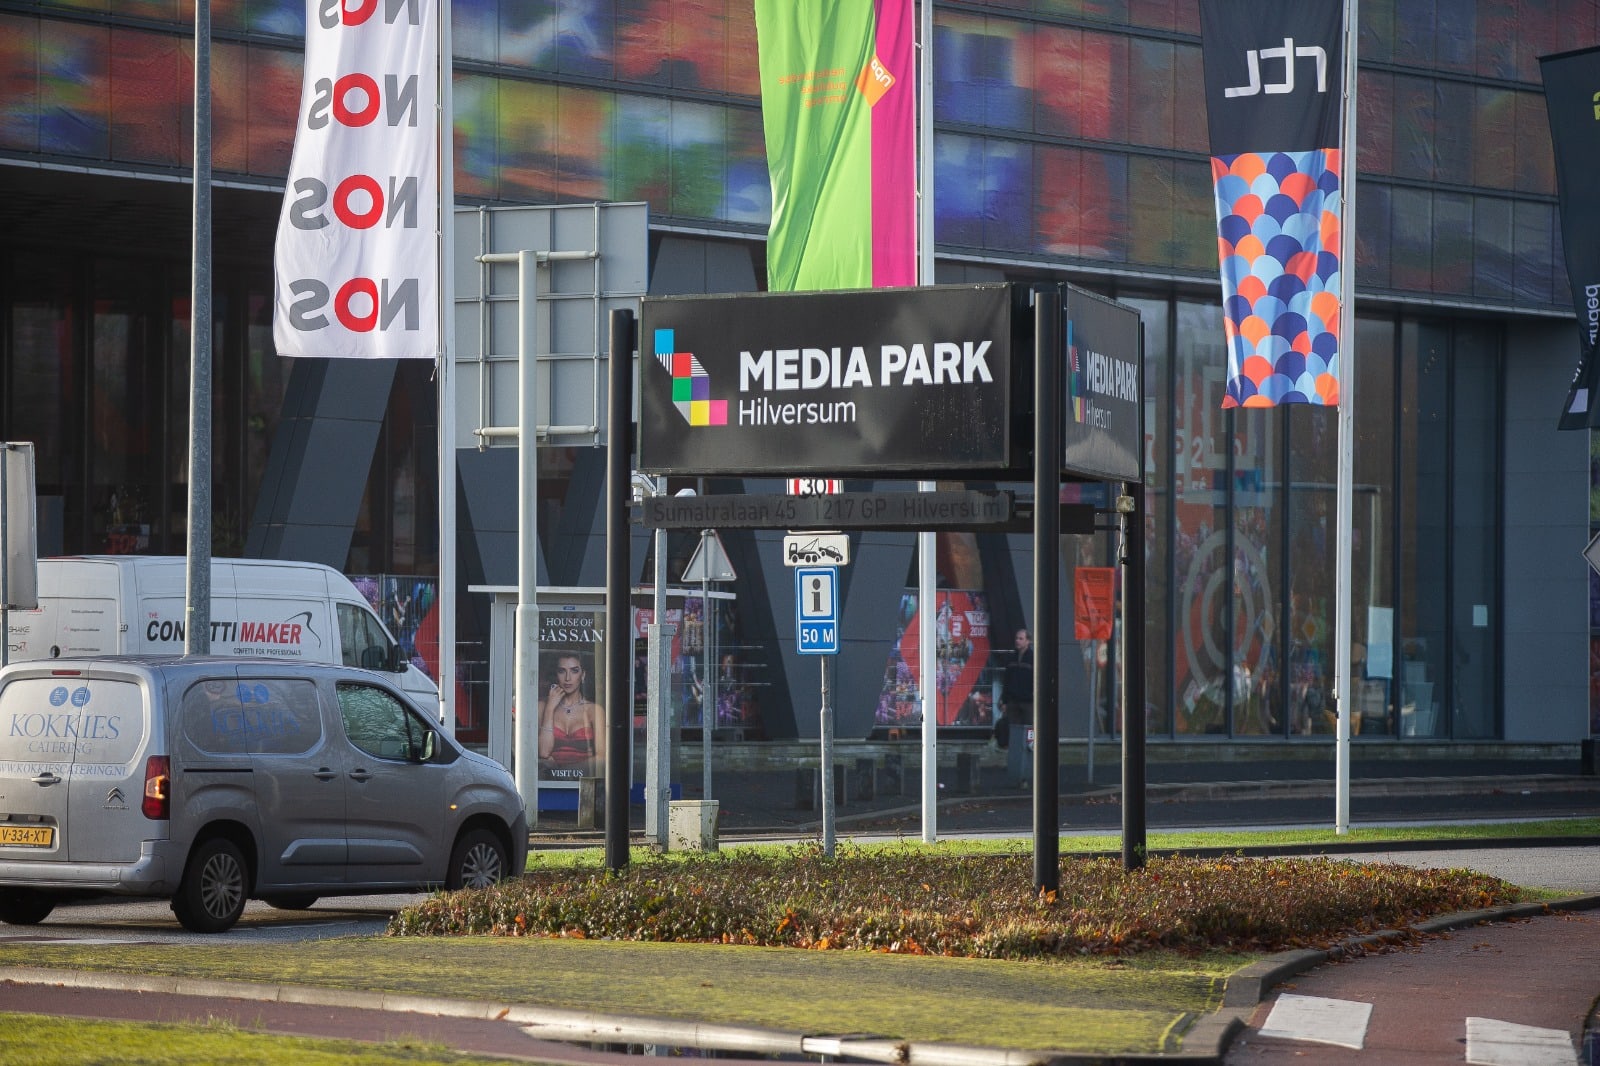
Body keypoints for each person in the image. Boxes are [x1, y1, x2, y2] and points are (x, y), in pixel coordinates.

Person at [539, 653, 605, 777]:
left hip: (585, 782)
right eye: (562, 671)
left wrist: (563, 770)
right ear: (556, 675)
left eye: (574, 671)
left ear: (583, 675)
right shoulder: (542, 707)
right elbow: (543, 752)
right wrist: (549, 709)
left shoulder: (594, 711)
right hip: (548, 782)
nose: (568, 678)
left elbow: (602, 758)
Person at [1001, 628, 1034, 789]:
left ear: (1028, 641)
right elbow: (1006, 680)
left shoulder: (1033, 658)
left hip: (1028, 702)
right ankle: (1016, 774)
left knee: (1029, 738)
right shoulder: (1011, 658)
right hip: (1013, 701)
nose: (1017, 641)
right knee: (1015, 737)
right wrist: (1004, 700)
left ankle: (1028, 773)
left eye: (1021, 638)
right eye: (1017, 638)